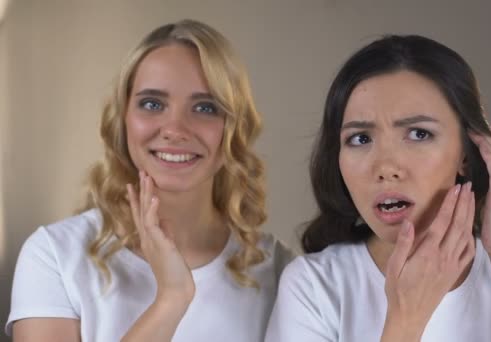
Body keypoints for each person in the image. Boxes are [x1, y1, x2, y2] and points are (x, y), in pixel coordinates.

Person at [265, 35, 491, 342]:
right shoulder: (314, 286)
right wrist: (406, 318)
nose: (385, 168)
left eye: (419, 134)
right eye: (360, 139)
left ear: (467, 152)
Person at [6, 19, 294, 342]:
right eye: (152, 104)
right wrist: (171, 299)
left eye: (205, 107)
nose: (174, 128)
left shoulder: (283, 274)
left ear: (234, 130)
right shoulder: (55, 256)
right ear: (123, 120)